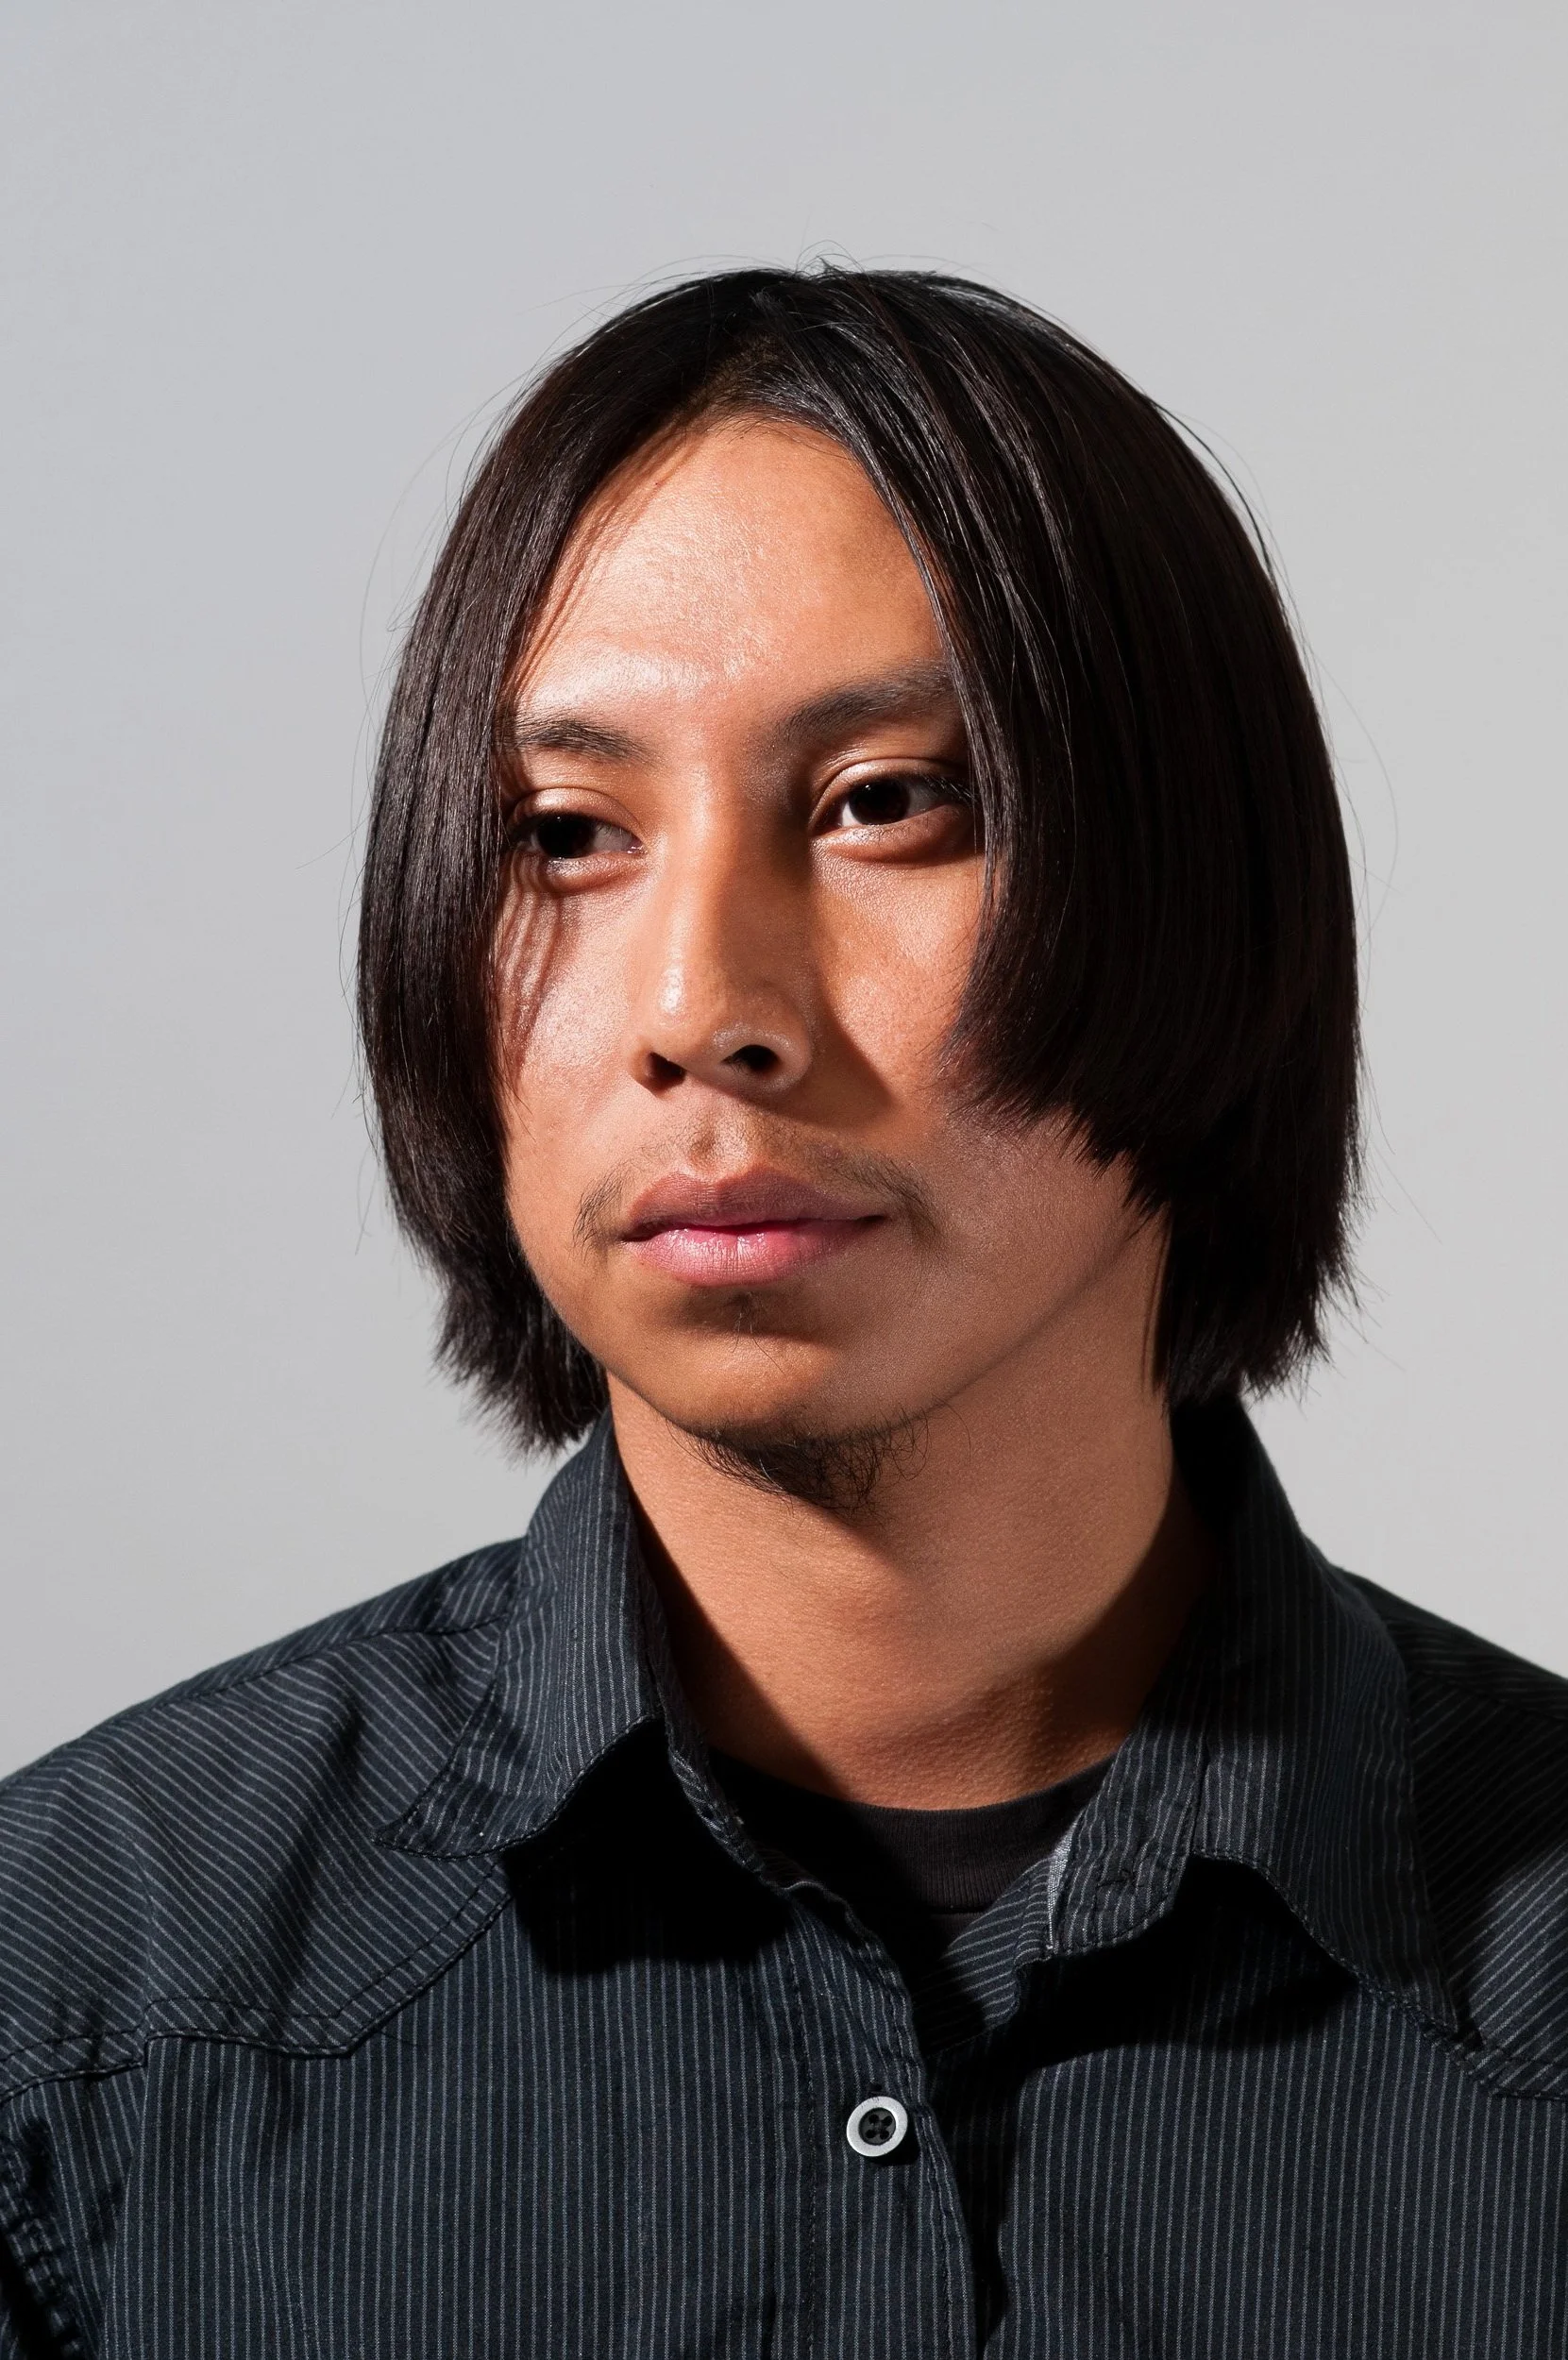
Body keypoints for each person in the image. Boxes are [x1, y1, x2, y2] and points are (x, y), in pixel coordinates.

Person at [1, 268, 1562, 2360]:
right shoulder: (83, 2000)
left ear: (1204, 896)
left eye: (882, 803)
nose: (699, 1012)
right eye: (564, 835)